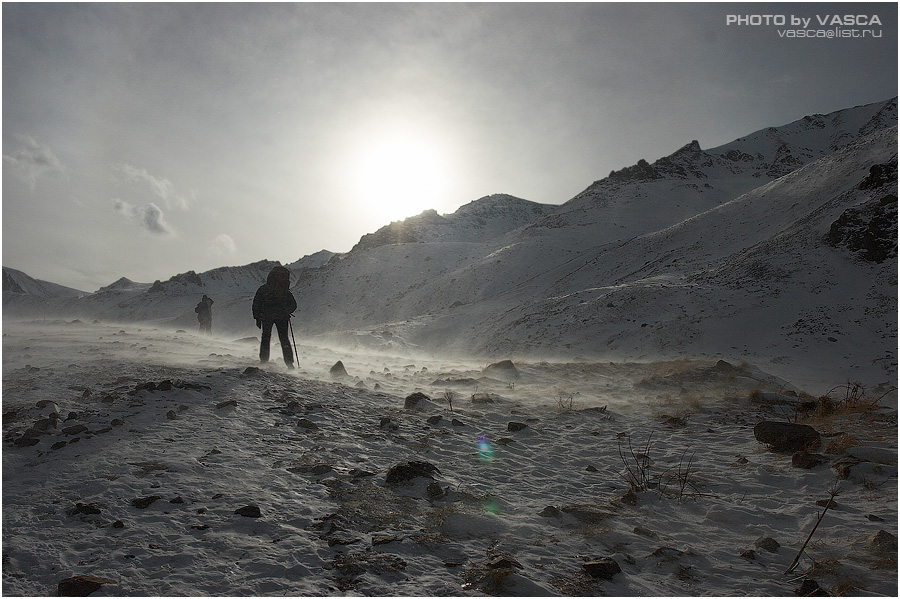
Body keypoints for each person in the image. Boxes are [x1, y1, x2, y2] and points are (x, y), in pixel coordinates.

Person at [252, 266, 297, 368]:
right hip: (282, 317)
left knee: (266, 337)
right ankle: (289, 363)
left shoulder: (264, 289)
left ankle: (263, 360)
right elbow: (293, 305)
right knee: (284, 338)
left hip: (267, 316)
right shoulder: (285, 291)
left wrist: (257, 317)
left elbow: (256, 303)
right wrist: (286, 311)